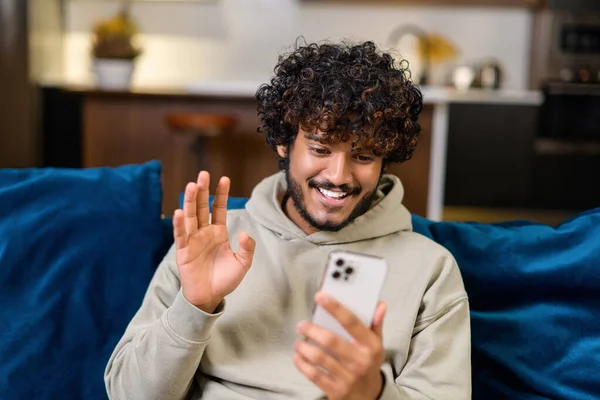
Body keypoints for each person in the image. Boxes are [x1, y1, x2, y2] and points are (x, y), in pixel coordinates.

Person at [105, 39, 471, 400]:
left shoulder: (430, 269)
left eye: (363, 156)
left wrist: (372, 394)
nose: (339, 176)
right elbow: (128, 394)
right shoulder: (210, 242)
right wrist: (194, 307)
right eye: (320, 149)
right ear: (284, 143)